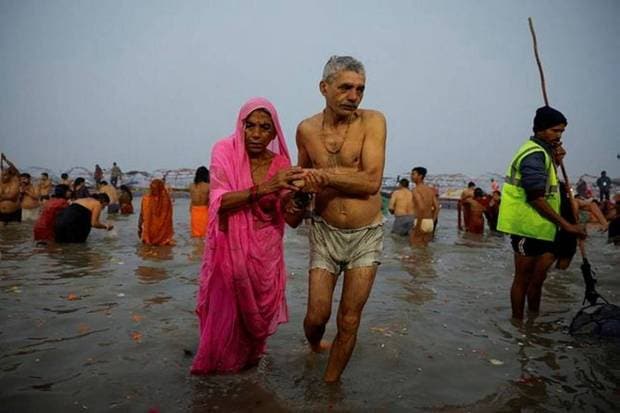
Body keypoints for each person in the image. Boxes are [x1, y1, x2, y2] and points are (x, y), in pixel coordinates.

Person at [191, 98, 307, 375]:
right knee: (225, 315)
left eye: (265, 128)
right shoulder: (224, 151)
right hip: (228, 252)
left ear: (273, 133)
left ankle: (246, 378)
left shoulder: (280, 163)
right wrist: (268, 186)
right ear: (240, 126)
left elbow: (290, 220)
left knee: (253, 328)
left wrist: (301, 198)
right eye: (250, 126)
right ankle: (219, 374)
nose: (256, 134)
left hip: (264, 256)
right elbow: (219, 200)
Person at [296, 55, 387, 382]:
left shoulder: (374, 122)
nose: (354, 96)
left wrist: (322, 176)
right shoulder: (306, 129)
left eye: (360, 89)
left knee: (349, 320)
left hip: (366, 234)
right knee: (316, 316)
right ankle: (314, 346)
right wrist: (296, 194)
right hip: (324, 231)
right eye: (346, 87)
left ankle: (329, 390)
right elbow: (302, 183)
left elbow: (370, 182)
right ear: (324, 87)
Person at [497, 106, 586, 320]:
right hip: (526, 227)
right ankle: (519, 325)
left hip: (543, 227)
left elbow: (546, 188)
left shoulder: (544, 154)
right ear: (541, 129)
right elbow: (535, 197)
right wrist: (567, 225)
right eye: (555, 131)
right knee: (523, 279)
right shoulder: (534, 154)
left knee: (537, 281)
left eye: (562, 132)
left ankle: (533, 322)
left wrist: (556, 162)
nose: (559, 136)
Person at [138, 179, 174, 246]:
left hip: (148, 234)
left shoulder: (146, 199)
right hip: (163, 235)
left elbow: (141, 215)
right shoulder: (166, 200)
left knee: (146, 250)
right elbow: (168, 219)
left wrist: (139, 227)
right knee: (164, 250)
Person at [410, 167, 440, 245]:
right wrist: (432, 221)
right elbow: (437, 207)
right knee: (424, 250)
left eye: (413, 174)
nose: (411, 176)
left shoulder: (415, 190)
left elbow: (421, 207)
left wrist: (418, 226)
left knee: (414, 249)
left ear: (420, 176)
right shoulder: (430, 190)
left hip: (420, 221)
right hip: (429, 222)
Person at [189, 166, 210, 238]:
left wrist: (190, 211)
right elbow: (210, 201)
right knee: (206, 234)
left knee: (196, 235)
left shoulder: (191, 186)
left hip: (194, 210)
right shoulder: (208, 186)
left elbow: (191, 200)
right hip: (205, 210)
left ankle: (196, 248)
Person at [0, 153, 21, 224]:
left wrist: (5, 160)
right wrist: (1, 160)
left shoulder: (15, 178)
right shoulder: (3, 179)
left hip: (13, 212)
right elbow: (2, 168)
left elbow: (13, 167)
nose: (3, 176)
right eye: (2, 174)